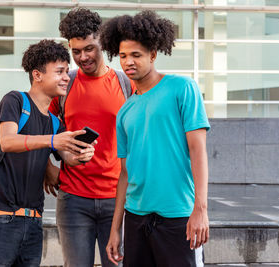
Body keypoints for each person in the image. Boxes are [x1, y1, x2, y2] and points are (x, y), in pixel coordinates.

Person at [0, 39, 96, 267]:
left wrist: (81, 156)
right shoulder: (15, 101)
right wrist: (52, 140)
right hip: (0, 219)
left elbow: (67, 159)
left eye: (67, 71)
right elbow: (8, 141)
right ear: (37, 75)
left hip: (33, 224)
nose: (67, 77)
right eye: (59, 72)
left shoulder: (54, 122)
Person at [100, 11, 210, 267]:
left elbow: (198, 151)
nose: (128, 62)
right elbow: (125, 174)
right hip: (136, 218)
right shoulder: (125, 111)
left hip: (178, 217)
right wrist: (116, 229)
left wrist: (200, 210)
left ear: (152, 55)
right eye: (123, 56)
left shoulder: (183, 88)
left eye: (136, 55)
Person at [45, 8, 134, 267]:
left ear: (102, 43)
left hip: (117, 198)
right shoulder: (64, 84)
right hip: (73, 199)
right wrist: (49, 165)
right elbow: (44, 128)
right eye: (76, 51)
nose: (82, 57)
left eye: (89, 48)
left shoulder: (126, 84)